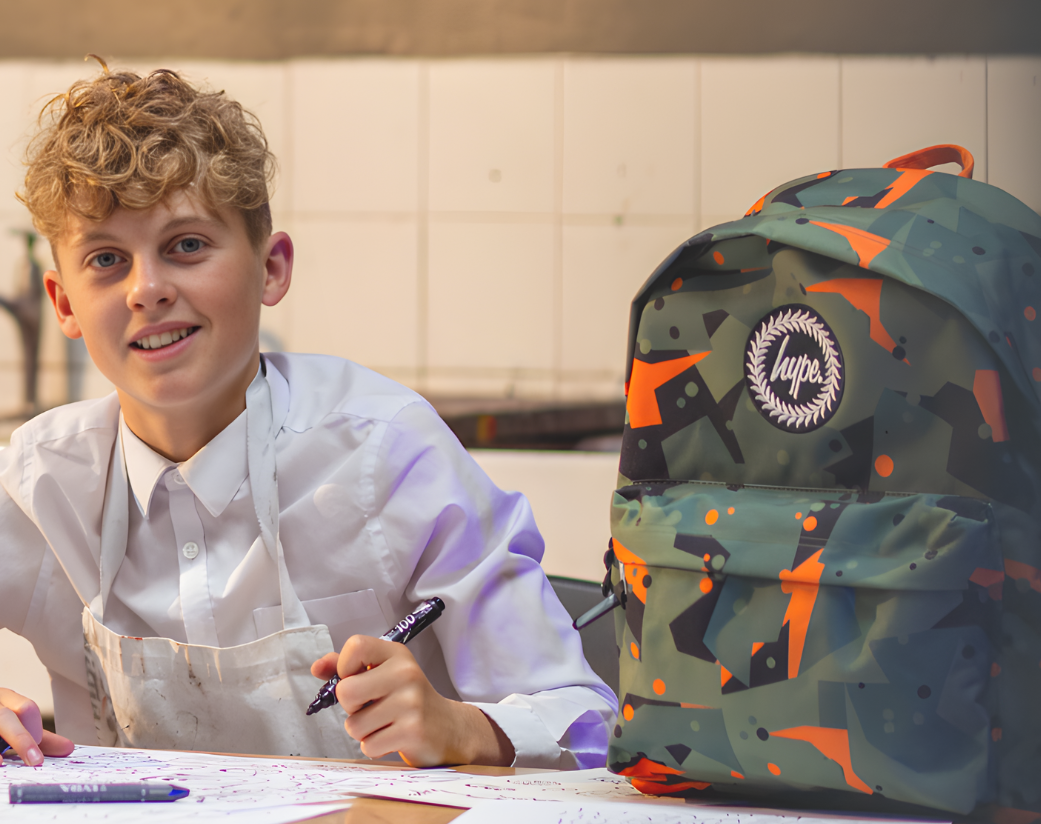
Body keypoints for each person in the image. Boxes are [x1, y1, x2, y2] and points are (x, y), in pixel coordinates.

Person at [0, 65, 615, 769]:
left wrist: (464, 728)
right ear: (65, 303)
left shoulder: (386, 454)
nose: (147, 290)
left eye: (187, 246)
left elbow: (587, 715)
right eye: (106, 260)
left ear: (272, 269)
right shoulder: (39, 481)